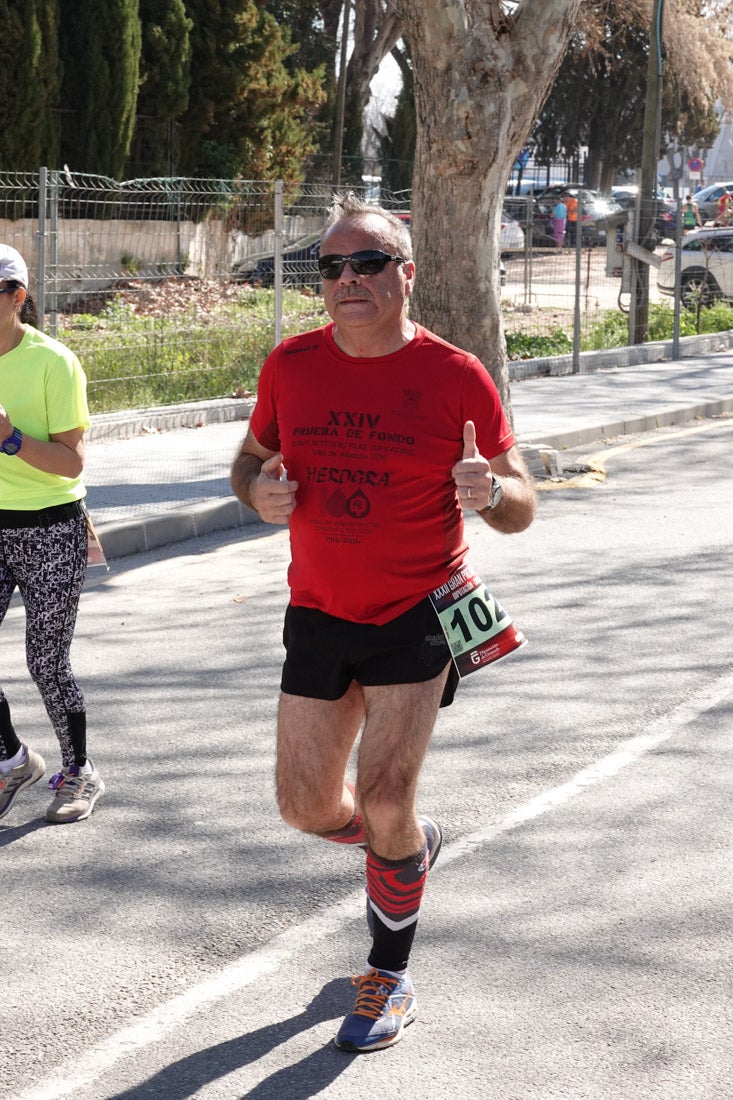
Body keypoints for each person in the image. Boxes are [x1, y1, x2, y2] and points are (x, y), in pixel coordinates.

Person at [230, 195, 536, 1052]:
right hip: (319, 611)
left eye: (366, 263)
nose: (346, 279)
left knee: (383, 794)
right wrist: (255, 491)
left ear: (406, 273)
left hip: (417, 611)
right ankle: (405, 849)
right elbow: (249, 462)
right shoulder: (289, 364)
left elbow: (520, 502)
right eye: (330, 266)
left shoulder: (455, 375)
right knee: (303, 808)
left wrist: (491, 495)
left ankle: (388, 975)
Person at [0, 244, 104, 825]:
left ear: (18, 297)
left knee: (46, 662)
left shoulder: (53, 362)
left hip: (49, 527)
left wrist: (10, 438)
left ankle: (79, 772)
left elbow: (72, 463)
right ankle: (14, 760)